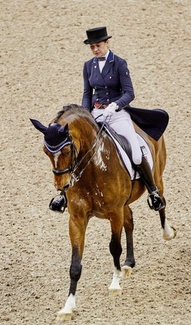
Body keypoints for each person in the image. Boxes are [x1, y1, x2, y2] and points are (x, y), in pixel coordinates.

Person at [49, 26, 164, 212]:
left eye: (98, 45)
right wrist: (84, 116)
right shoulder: (88, 66)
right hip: (95, 115)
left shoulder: (119, 63)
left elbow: (129, 93)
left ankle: (153, 191)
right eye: (92, 47)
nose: (95, 49)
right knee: (76, 149)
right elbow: (87, 94)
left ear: (107, 43)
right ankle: (63, 195)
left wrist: (115, 105)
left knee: (135, 151)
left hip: (117, 115)